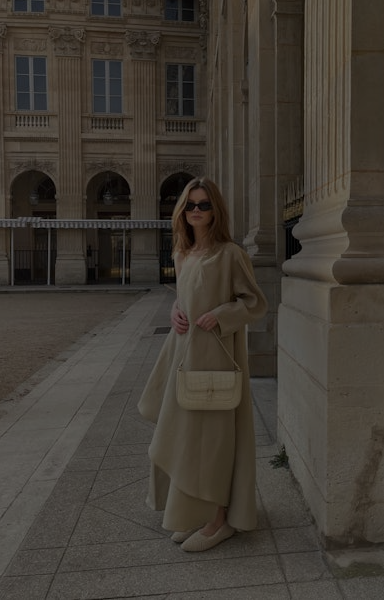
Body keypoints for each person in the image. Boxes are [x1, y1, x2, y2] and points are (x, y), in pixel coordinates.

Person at [138, 176, 267, 552]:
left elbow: (255, 303)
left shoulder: (230, 254)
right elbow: (185, 297)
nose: (196, 210)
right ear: (182, 211)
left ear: (215, 211)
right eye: (190, 204)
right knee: (185, 437)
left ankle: (219, 520)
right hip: (182, 355)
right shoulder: (182, 254)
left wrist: (222, 315)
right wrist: (176, 310)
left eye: (204, 205)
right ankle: (194, 512)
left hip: (215, 359)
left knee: (213, 441)